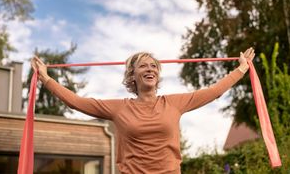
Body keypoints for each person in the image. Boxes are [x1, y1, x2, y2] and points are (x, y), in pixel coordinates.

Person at [31, 47, 255, 174]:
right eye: (143, 66)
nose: (150, 69)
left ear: (157, 75)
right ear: (132, 75)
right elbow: (76, 102)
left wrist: (241, 69)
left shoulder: (175, 103)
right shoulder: (119, 108)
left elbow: (214, 91)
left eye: (153, 66)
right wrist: (46, 78)